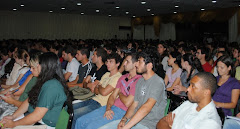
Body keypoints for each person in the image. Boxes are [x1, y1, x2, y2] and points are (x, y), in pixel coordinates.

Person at [99, 50, 167, 129]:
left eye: (139, 62)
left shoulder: (157, 82)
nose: (136, 64)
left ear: (149, 65)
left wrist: (127, 126)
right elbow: (134, 105)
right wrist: (124, 119)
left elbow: (146, 108)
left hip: (148, 124)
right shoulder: (140, 81)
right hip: (134, 120)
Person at [0, 52, 69, 128]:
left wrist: (14, 124)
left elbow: (37, 116)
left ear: (44, 67)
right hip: (38, 120)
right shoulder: (43, 80)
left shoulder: (52, 85)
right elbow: (29, 101)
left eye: (35, 67)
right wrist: (13, 116)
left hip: (47, 125)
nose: (31, 70)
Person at [75, 53, 142, 129]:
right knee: (80, 121)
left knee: (90, 126)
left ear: (135, 64)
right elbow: (112, 96)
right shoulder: (123, 77)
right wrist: (108, 109)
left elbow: (127, 103)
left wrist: (119, 93)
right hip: (110, 107)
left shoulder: (139, 80)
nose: (124, 64)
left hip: (123, 112)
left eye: (127, 62)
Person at [71, 53, 122, 129]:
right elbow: (95, 90)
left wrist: (99, 86)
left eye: (111, 62)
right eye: (107, 61)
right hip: (93, 99)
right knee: (69, 108)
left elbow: (104, 92)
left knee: (75, 115)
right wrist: (100, 88)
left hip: (101, 104)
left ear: (117, 64)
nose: (108, 64)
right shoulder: (106, 74)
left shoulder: (118, 77)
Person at [157, 72, 222, 129]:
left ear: (206, 92)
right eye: (189, 85)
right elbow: (161, 122)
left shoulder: (211, 122)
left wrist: (169, 126)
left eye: (193, 86)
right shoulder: (188, 104)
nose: (188, 89)